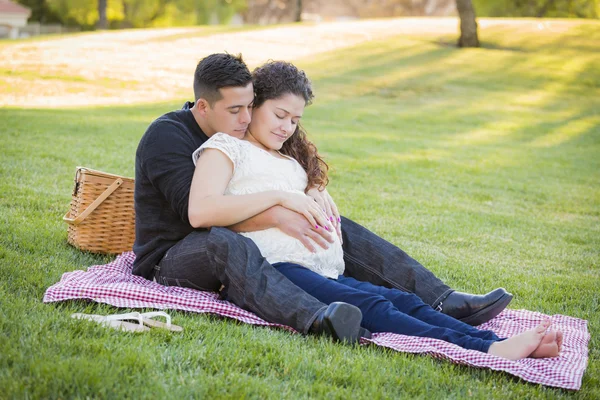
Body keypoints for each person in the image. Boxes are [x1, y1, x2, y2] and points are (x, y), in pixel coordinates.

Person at [188, 60, 563, 359]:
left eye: (296, 120)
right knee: (375, 305)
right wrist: (282, 198)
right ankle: (490, 349)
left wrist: (312, 185)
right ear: (254, 107)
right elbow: (202, 211)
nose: (288, 127)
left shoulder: (287, 159)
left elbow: (303, 175)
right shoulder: (227, 147)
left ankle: (492, 338)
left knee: (400, 300)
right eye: (280, 115)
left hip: (322, 268)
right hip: (277, 267)